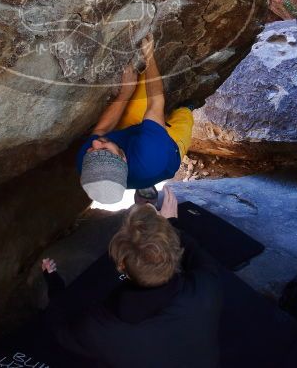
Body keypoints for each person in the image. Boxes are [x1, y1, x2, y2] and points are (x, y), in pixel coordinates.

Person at [41, 188, 223, 368]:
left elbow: (60, 325)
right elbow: (195, 251)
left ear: (121, 267)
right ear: (175, 252)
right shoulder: (206, 286)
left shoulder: (98, 328)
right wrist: (169, 225)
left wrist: (54, 285)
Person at [77, 34, 194, 204]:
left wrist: (125, 93)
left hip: (133, 136)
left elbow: (100, 131)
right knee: (183, 119)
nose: (95, 144)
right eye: (104, 149)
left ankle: (144, 183)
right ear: (123, 158)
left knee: (139, 87)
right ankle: (187, 108)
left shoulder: (89, 163)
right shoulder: (151, 155)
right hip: (169, 150)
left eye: (91, 151)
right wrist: (149, 56)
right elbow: (156, 101)